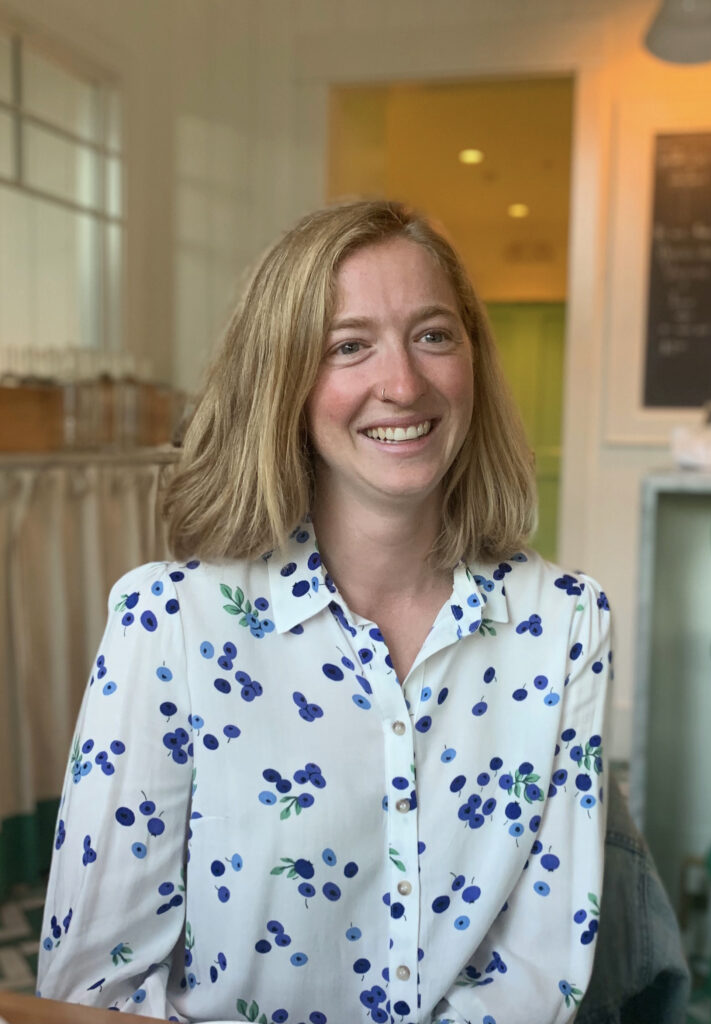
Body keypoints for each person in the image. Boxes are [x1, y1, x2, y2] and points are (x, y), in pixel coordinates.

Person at [37, 200, 612, 1024]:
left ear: (473, 361)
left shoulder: (566, 624)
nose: (404, 384)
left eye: (434, 335)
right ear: (284, 382)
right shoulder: (168, 622)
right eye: (349, 346)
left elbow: (540, 972)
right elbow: (97, 988)